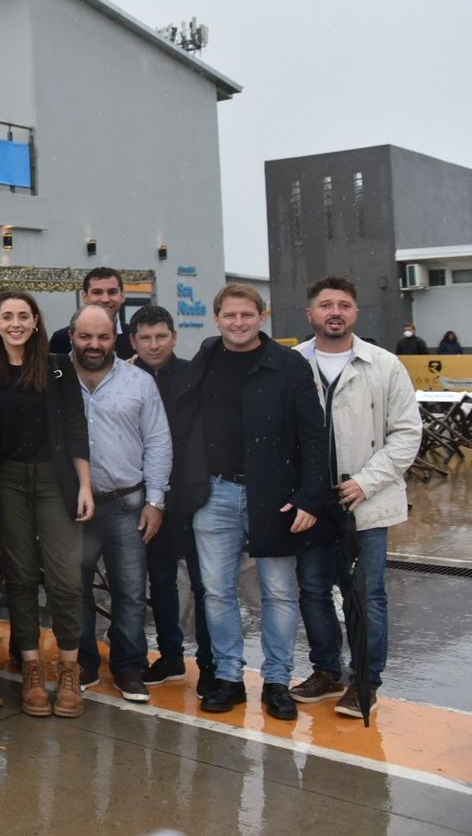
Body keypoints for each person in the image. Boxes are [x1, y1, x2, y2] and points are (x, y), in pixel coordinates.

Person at [176, 284, 325, 720]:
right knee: (218, 592)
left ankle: (277, 681)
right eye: (229, 315)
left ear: (262, 316)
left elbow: (314, 437)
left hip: (274, 495)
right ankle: (228, 677)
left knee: (279, 593)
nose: (238, 323)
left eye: (247, 315)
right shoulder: (206, 358)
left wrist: (309, 497)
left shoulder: (288, 365)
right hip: (216, 493)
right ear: (216, 318)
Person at [290, 276, 420, 718]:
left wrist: (367, 481)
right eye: (325, 304)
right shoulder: (291, 364)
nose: (335, 312)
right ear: (310, 315)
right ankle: (326, 671)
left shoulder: (384, 365)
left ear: (356, 313)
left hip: (365, 499)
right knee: (311, 590)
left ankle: (364, 679)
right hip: (312, 502)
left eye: (344, 304)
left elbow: (407, 434)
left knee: (365, 595)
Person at [0, 292, 94, 719]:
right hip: (9, 484)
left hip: (56, 482)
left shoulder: (59, 368)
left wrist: (84, 486)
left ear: (36, 322)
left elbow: (77, 431)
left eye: (24, 315)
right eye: (8, 316)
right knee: (20, 579)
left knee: (66, 579)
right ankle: (34, 671)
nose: (16, 323)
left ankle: (71, 672)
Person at [67, 306, 171, 704]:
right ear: (72, 335)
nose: (94, 345)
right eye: (85, 337)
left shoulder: (140, 383)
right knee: (76, 589)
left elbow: (159, 442)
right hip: (76, 507)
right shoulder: (56, 380)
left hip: (127, 503)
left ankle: (129, 667)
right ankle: (86, 663)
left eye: (103, 337)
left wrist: (156, 501)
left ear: (117, 338)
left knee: (129, 591)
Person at [129, 304, 214, 695]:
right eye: (145, 338)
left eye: (161, 336)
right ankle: (171, 656)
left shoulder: (196, 375)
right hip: (151, 496)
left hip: (195, 492)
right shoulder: (126, 378)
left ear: (175, 337)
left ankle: (211, 662)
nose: (154, 345)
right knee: (160, 580)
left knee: (204, 583)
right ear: (133, 342)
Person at [49, 267, 135, 360]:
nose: (105, 299)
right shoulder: (61, 339)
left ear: (122, 296)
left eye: (112, 292)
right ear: (85, 297)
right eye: (97, 292)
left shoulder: (136, 337)